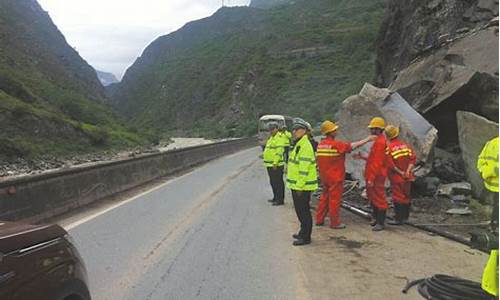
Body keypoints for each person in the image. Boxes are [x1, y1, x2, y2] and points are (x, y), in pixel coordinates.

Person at [315, 121, 375, 229]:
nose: (336, 131)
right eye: (334, 130)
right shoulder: (336, 145)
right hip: (335, 177)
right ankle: (335, 223)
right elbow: (351, 146)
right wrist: (367, 139)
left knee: (325, 198)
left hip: (325, 177)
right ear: (330, 132)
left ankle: (319, 219)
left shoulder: (321, 145)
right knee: (334, 200)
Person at [353, 117, 389, 231]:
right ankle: (376, 218)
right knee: (373, 197)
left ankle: (381, 222)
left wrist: (371, 179)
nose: (371, 131)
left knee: (379, 198)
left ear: (379, 129)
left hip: (377, 176)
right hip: (373, 174)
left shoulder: (380, 142)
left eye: (373, 129)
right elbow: (374, 159)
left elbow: (377, 163)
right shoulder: (379, 141)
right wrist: (362, 157)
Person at [287, 118, 318, 246]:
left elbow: (303, 169)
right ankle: (302, 232)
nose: (294, 132)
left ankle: (306, 237)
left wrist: (299, 185)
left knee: (303, 211)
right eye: (293, 130)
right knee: (300, 211)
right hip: (298, 185)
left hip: (302, 186)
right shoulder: (300, 143)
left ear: (304, 131)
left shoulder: (305, 146)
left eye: (297, 130)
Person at [384, 125, 416, 225]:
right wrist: (407, 171)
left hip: (397, 178)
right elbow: (413, 159)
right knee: (406, 196)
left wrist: (401, 172)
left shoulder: (389, 149)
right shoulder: (405, 146)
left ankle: (398, 219)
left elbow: (390, 165)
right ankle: (405, 217)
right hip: (407, 176)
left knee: (398, 197)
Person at [477, 136, 499, 231]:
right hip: (495, 183)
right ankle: (495, 225)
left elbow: (481, 159)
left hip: (490, 182)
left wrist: (484, 173)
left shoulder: (491, 143)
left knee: (496, 205)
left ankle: (494, 224)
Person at [263, 122, 285, 206]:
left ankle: (280, 200)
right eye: (270, 129)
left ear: (276, 128)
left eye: (272, 129)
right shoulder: (271, 138)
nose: (271, 131)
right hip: (269, 165)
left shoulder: (279, 138)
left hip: (276, 165)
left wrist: (275, 163)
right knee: (273, 182)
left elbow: (279, 152)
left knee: (278, 182)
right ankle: (275, 197)